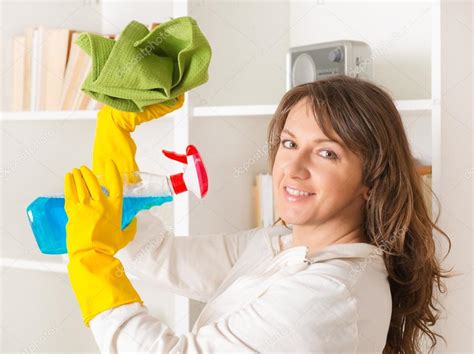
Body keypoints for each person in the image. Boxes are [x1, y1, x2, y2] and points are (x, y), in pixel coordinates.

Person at [64, 75, 452, 353]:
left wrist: (90, 262)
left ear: (372, 180)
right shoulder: (278, 245)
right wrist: (115, 136)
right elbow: (158, 255)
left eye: (326, 152)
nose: (293, 168)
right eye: (289, 142)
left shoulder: (331, 293)